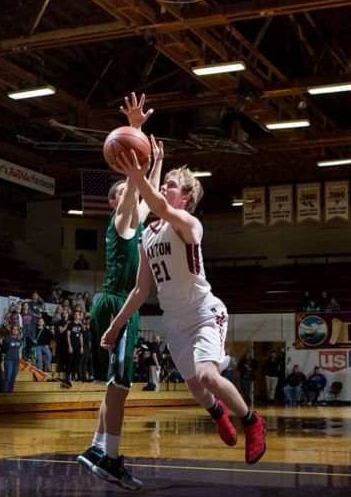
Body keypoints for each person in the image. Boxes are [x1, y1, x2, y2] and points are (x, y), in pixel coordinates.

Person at [102, 140, 266, 475]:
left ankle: (252, 421)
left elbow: (159, 206)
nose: (165, 187)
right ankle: (219, 414)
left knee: (208, 374)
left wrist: (138, 173)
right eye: (165, 184)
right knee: (194, 386)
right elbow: (139, 290)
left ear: (186, 198)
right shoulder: (148, 235)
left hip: (205, 312)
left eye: (172, 185)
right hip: (175, 322)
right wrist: (115, 325)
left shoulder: (190, 225)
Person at [77, 92, 163, 491]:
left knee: (116, 384)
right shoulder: (121, 219)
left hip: (117, 301)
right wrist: (136, 132)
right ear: (115, 202)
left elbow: (151, 200)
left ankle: (97, 448)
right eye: (126, 193)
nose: (132, 196)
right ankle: (111, 458)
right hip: (116, 303)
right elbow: (135, 193)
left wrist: (155, 164)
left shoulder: (134, 220)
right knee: (122, 386)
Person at [2, 325, 24, 392]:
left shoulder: (20, 340)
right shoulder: (6, 338)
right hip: (8, 360)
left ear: (18, 331)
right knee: (8, 377)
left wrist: (20, 359)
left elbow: (19, 351)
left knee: (13, 377)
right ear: (11, 330)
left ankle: (10, 392)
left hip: (16, 360)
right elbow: (3, 349)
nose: (15, 330)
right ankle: (3, 393)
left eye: (16, 329)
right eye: (14, 329)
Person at [67, 309, 85, 382]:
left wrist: (82, 347)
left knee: (76, 361)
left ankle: (74, 376)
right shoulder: (70, 324)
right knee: (70, 361)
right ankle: (68, 376)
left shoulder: (80, 325)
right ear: (74, 316)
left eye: (78, 315)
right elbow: (68, 335)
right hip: (72, 345)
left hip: (78, 346)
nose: (77, 316)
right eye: (76, 314)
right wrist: (69, 346)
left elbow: (81, 336)